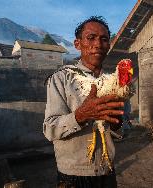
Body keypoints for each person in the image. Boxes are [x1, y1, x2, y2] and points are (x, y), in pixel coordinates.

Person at [43, 16, 125, 188]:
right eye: (91, 38)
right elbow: (50, 129)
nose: (98, 44)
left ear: (108, 46)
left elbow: (124, 130)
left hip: (106, 171)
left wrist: (117, 124)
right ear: (77, 44)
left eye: (104, 39)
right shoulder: (61, 78)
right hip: (73, 175)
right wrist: (81, 115)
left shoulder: (114, 82)